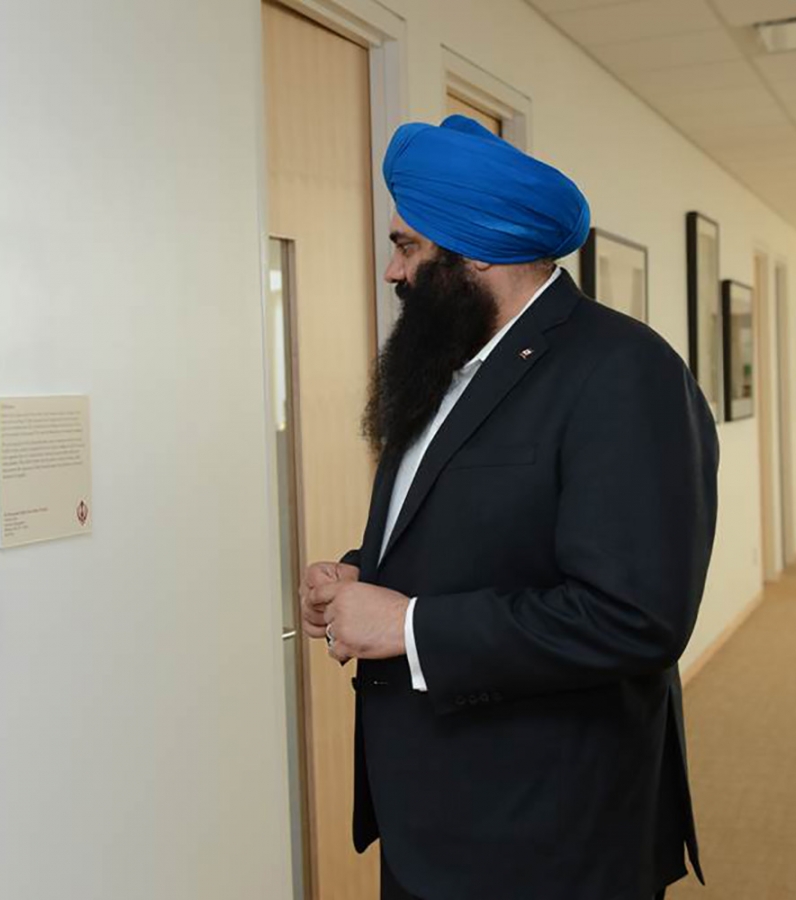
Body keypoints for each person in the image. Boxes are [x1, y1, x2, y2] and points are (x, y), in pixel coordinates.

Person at [299, 115, 718, 900]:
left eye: (408, 246)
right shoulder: (446, 357)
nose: (392, 270)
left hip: (549, 832)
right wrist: (359, 576)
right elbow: (474, 531)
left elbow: (636, 615)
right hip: (435, 816)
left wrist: (407, 625)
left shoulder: (625, 372)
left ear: (479, 249)